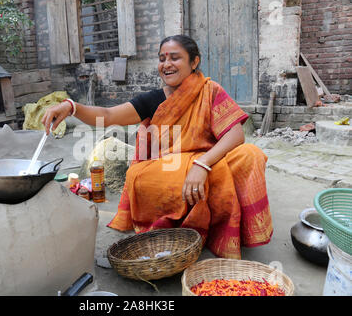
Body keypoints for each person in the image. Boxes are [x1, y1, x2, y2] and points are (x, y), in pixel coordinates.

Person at [42, 35, 272, 259]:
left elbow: (236, 134)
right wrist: (71, 107)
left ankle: (219, 224)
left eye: (175, 57)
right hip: (167, 171)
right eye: (162, 58)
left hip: (206, 164)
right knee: (145, 177)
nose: (167, 64)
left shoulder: (210, 91)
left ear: (194, 62)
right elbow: (108, 115)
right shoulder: (152, 100)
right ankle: (191, 221)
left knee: (250, 154)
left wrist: (201, 164)